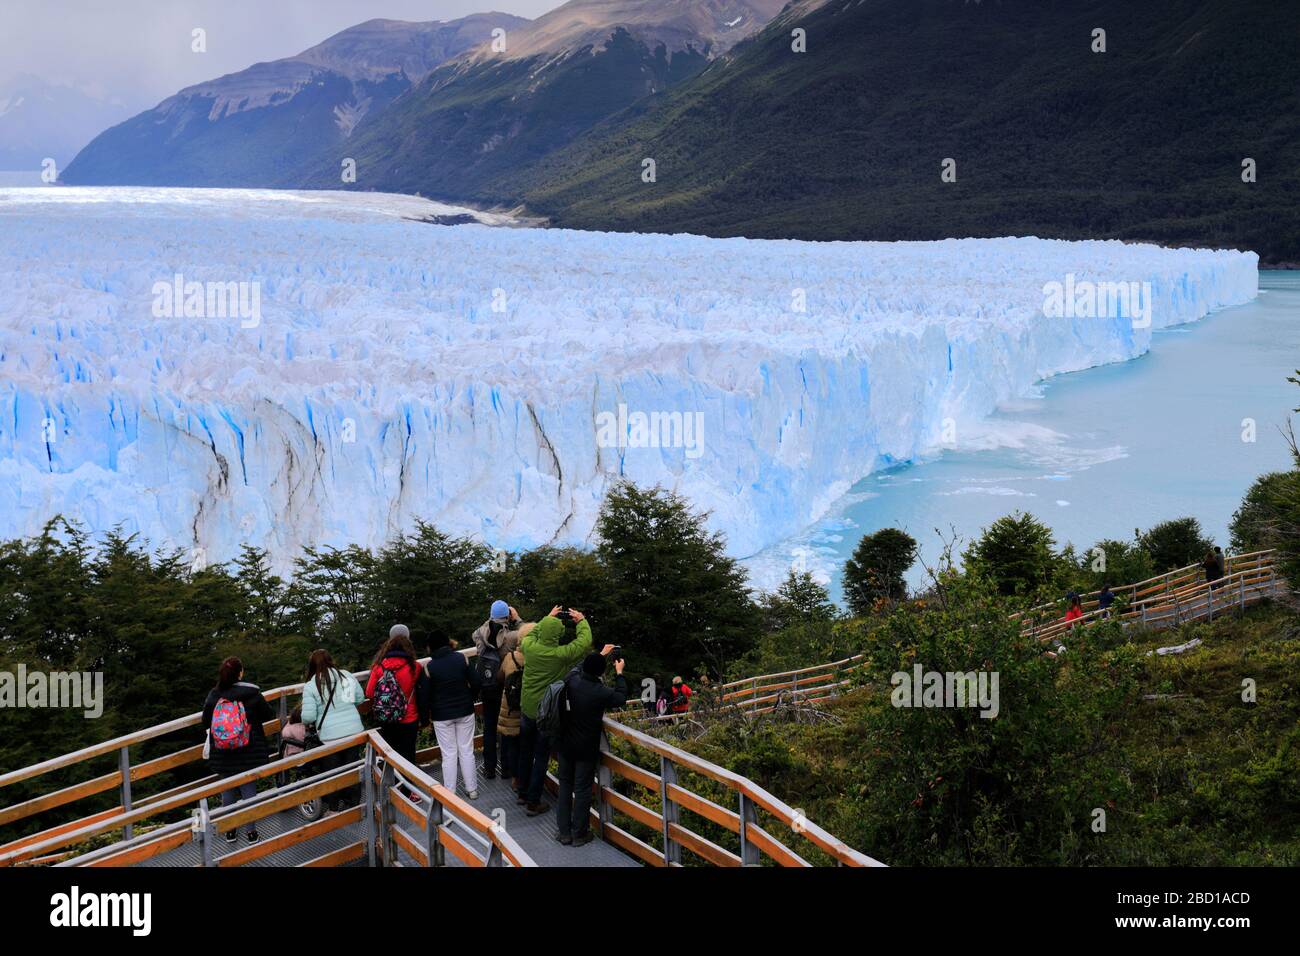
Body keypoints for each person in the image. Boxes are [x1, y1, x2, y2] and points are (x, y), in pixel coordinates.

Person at [517, 606, 597, 816]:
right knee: (541, 757)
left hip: (526, 709)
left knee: (525, 751)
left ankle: (522, 792)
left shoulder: (529, 647)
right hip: (546, 715)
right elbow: (583, 642)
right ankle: (533, 802)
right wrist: (581, 620)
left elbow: (532, 633)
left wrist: (547, 618)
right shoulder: (560, 655)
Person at [555, 649, 627, 846]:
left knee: (565, 785)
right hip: (586, 747)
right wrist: (619, 673)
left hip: (565, 743)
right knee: (583, 788)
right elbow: (621, 698)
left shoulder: (572, 680)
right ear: (601, 673)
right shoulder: (601, 692)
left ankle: (564, 832)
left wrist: (601, 654)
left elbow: (576, 668)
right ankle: (579, 834)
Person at [202, 656, 273, 845]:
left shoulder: (214, 695)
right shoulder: (252, 693)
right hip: (249, 750)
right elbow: (268, 714)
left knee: (228, 792)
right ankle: (251, 834)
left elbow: (205, 721)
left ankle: (230, 832)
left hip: (223, 752)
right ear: (240, 673)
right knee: (249, 790)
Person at [300, 648, 367, 813]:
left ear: (312, 666)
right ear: (331, 660)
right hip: (353, 732)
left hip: (330, 737)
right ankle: (354, 805)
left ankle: (334, 808)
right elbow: (359, 698)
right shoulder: (346, 675)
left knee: (332, 773)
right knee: (352, 768)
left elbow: (308, 717)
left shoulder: (311, 685)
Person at [423, 630, 482, 798]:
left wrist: (426, 715)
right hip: (465, 710)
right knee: (466, 750)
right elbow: (476, 682)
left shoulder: (429, 667)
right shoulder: (462, 658)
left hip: (441, 715)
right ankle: (472, 790)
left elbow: (425, 696)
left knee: (448, 753)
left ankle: (450, 793)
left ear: (431, 647)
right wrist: (470, 698)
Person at [470, 600, 524, 780]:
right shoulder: (510, 637)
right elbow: (529, 634)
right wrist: (516, 619)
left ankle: (489, 769)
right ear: (507, 616)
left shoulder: (479, 634)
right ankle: (507, 769)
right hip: (504, 687)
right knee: (506, 728)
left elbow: (479, 630)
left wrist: (491, 619)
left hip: (486, 686)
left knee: (490, 727)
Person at [366, 624, 426, 766]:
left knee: (391, 756)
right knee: (408, 755)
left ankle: (392, 786)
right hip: (409, 718)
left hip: (387, 719)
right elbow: (422, 692)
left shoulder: (378, 667)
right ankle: (408, 787)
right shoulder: (415, 667)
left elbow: (369, 693)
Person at [497, 624, 532, 794]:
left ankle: (515, 778)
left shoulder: (509, 657)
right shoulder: (534, 658)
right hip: (527, 707)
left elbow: (499, 678)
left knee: (512, 744)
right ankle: (527, 780)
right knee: (527, 747)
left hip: (509, 708)